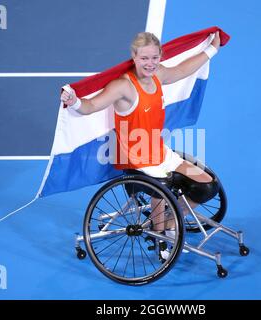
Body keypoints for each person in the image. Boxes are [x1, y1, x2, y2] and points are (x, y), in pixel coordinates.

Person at [61, 31, 221, 254]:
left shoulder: (159, 74)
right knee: (162, 186)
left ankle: (168, 223)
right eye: (144, 58)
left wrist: (212, 49)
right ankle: (160, 235)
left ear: (160, 56)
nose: (150, 63)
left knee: (207, 186)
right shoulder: (123, 87)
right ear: (134, 57)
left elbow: (184, 69)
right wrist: (74, 101)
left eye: (154, 57)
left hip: (159, 153)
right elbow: (91, 106)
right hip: (135, 159)